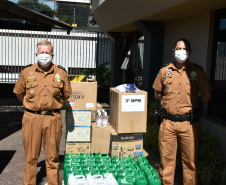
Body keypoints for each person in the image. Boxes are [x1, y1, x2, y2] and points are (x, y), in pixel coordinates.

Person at [152, 39, 212, 185]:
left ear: (189, 52)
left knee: (190, 164)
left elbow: (206, 95)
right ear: (173, 51)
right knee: (166, 164)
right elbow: (157, 93)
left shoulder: (197, 72)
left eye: (184, 49)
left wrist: (192, 101)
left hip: (188, 125)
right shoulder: (164, 71)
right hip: (168, 124)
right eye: (178, 49)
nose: (181, 51)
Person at [13, 40, 72, 185]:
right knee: (31, 158)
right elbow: (19, 92)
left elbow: (66, 94)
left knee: (52, 158)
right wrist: (30, 105)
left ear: (52, 54)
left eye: (47, 53)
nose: (44, 55)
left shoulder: (61, 72)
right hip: (31, 118)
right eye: (41, 52)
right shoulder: (27, 72)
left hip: (52, 119)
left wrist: (54, 105)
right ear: (36, 54)